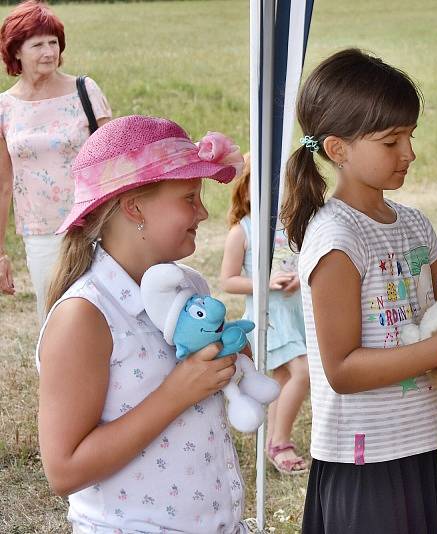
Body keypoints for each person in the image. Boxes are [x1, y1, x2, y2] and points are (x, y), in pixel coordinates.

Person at [36, 115, 249, 532]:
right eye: (189, 197)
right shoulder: (84, 316)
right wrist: (177, 393)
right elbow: (64, 470)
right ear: (134, 207)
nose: (204, 212)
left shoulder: (189, 284)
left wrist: (229, 358)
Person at [280, 48, 437, 534]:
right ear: (338, 149)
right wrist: (435, 349)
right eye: (391, 140)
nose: (410, 153)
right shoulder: (337, 237)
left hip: (420, 444)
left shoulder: (416, 226)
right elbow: (341, 369)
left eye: (411, 136)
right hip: (364, 462)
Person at [0, 0, 112, 322]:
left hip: (92, 226)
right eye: (38, 44)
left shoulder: (84, 90)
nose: (49, 51)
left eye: (53, 43)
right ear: (16, 51)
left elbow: (116, 155)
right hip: (40, 233)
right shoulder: (5, 107)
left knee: (103, 317)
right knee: (54, 318)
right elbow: (4, 185)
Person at [219, 153, 310, 475]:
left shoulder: (295, 225)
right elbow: (228, 280)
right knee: (302, 372)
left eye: (280, 186)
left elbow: (303, 262)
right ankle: (280, 443)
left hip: (296, 313)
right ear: (245, 191)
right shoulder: (242, 231)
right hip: (271, 318)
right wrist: (265, 282)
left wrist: (301, 278)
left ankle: (274, 438)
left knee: (285, 379)